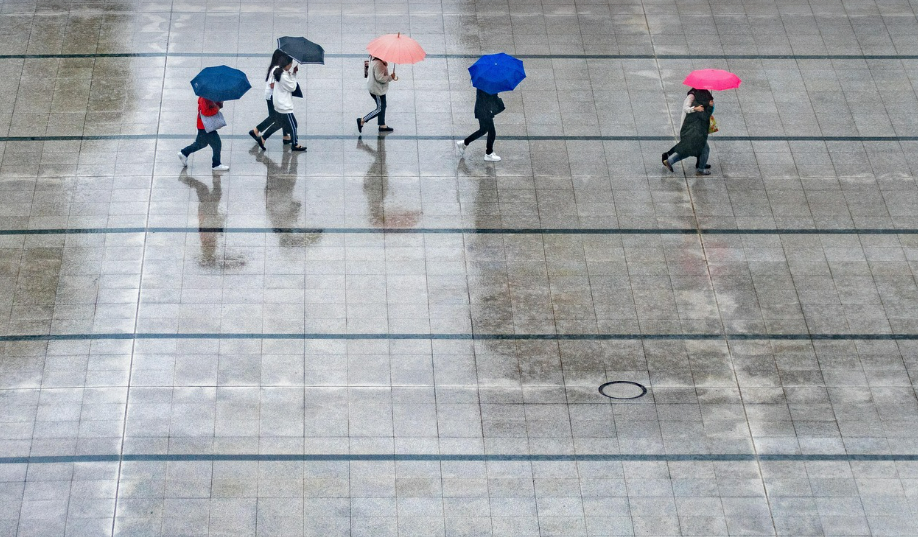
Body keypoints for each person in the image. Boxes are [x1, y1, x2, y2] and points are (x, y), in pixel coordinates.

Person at [249, 50, 293, 150]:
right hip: (273, 97)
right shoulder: (276, 69)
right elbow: (272, 85)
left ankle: (285, 136)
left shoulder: (278, 68)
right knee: (278, 118)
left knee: (278, 117)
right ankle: (257, 131)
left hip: (272, 96)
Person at [663, 89, 713, 176]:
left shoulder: (698, 100)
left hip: (692, 130)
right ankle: (700, 169)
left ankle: (670, 161)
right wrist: (709, 107)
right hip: (693, 132)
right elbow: (703, 116)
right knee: (705, 149)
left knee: (688, 150)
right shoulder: (696, 102)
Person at [178, 96, 229, 171]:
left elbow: (213, 106)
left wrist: (220, 103)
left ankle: (184, 153)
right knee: (217, 144)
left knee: (201, 144)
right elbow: (205, 112)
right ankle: (216, 164)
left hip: (203, 126)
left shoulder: (208, 97)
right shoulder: (204, 99)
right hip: (206, 126)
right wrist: (216, 109)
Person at [456, 88, 504, 162]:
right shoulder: (488, 86)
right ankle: (489, 154)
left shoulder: (483, 84)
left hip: (481, 109)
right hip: (484, 111)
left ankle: (464, 143)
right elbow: (491, 97)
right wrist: (499, 102)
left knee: (483, 130)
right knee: (491, 132)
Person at [271, 57, 307, 152]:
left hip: (279, 103)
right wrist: (294, 75)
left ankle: (286, 138)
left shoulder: (278, 71)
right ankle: (295, 144)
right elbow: (293, 87)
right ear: (287, 64)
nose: (291, 65)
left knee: (286, 124)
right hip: (285, 106)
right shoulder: (284, 76)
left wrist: (292, 73)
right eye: (290, 64)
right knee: (293, 126)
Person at [357, 56, 397, 133]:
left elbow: (367, 72)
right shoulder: (379, 64)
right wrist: (390, 77)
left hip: (378, 88)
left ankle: (382, 125)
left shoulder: (375, 60)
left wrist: (384, 64)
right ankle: (362, 120)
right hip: (377, 90)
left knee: (383, 105)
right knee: (380, 109)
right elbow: (380, 78)